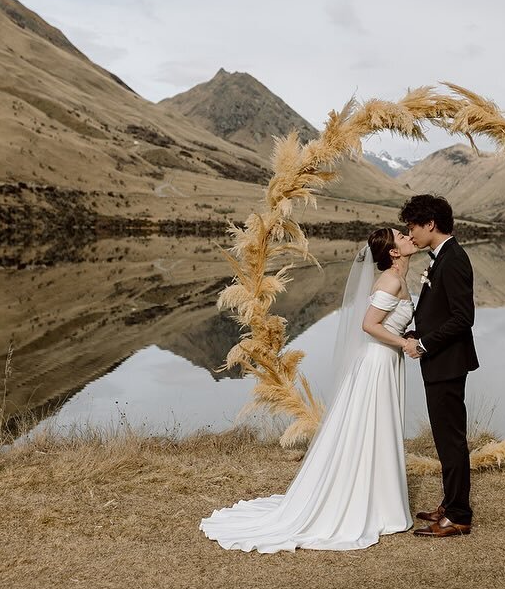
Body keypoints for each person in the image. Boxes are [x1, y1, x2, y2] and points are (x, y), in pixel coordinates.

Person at [199, 227, 419, 553]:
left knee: (376, 428)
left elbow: (387, 321)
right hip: (377, 362)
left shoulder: (396, 278)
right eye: (401, 236)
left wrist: (406, 336)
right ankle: (374, 505)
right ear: (393, 252)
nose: (408, 236)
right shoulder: (391, 280)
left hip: (384, 361)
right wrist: (404, 343)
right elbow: (369, 325)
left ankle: (379, 500)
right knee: (371, 426)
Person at [401, 194, 479, 537]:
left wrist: (425, 343)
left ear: (430, 224)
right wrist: (419, 330)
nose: (410, 233)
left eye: (413, 226)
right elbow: (443, 312)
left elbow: (464, 318)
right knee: (444, 438)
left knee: (451, 440)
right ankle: (449, 504)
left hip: (447, 362)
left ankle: (460, 515)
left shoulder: (454, 259)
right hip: (440, 361)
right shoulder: (441, 257)